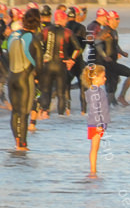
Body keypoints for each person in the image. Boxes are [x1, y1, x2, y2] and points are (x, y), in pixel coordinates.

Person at [36, 8, 82, 118]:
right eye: (65, 19)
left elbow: (37, 45)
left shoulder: (46, 30)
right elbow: (78, 48)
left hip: (47, 64)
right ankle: (61, 117)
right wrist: (71, 59)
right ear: (61, 19)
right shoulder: (67, 32)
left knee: (45, 91)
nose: (66, 21)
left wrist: (42, 57)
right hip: (61, 65)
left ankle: (45, 113)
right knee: (61, 93)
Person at [7, 8, 42, 149]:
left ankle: (17, 141)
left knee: (15, 111)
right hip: (24, 78)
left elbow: (6, 54)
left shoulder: (13, 35)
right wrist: (36, 76)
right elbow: (39, 64)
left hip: (11, 77)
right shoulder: (33, 38)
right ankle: (22, 144)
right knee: (24, 112)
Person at [94, 11, 130, 107]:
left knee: (112, 86)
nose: (118, 21)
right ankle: (120, 98)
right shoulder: (105, 31)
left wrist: (121, 52)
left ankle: (111, 108)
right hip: (107, 63)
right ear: (110, 20)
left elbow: (115, 45)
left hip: (112, 62)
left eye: (118, 19)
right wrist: (104, 56)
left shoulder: (114, 32)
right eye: (116, 19)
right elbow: (97, 44)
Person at [84, 64, 110, 177]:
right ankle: (93, 170)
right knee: (94, 148)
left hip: (97, 123)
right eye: (103, 76)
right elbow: (95, 109)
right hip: (96, 123)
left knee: (96, 147)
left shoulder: (97, 90)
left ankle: (93, 169)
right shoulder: (94, 91)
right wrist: (99, 124)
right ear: (95, 77)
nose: (105, 78)